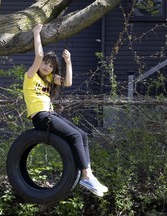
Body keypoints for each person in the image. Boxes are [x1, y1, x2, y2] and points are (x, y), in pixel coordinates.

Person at [23, 24, 108, 197]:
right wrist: (36, 33)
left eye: (51, 66)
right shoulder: (30, 76)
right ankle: (84, 175)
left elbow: (68, 83)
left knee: (82, 135)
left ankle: (89, 175)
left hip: (50, 114)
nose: (47, 67)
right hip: (40, 116)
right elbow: (39, 55)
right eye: (45, 63)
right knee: (75, 136)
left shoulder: (49, 79)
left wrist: (68, 63)